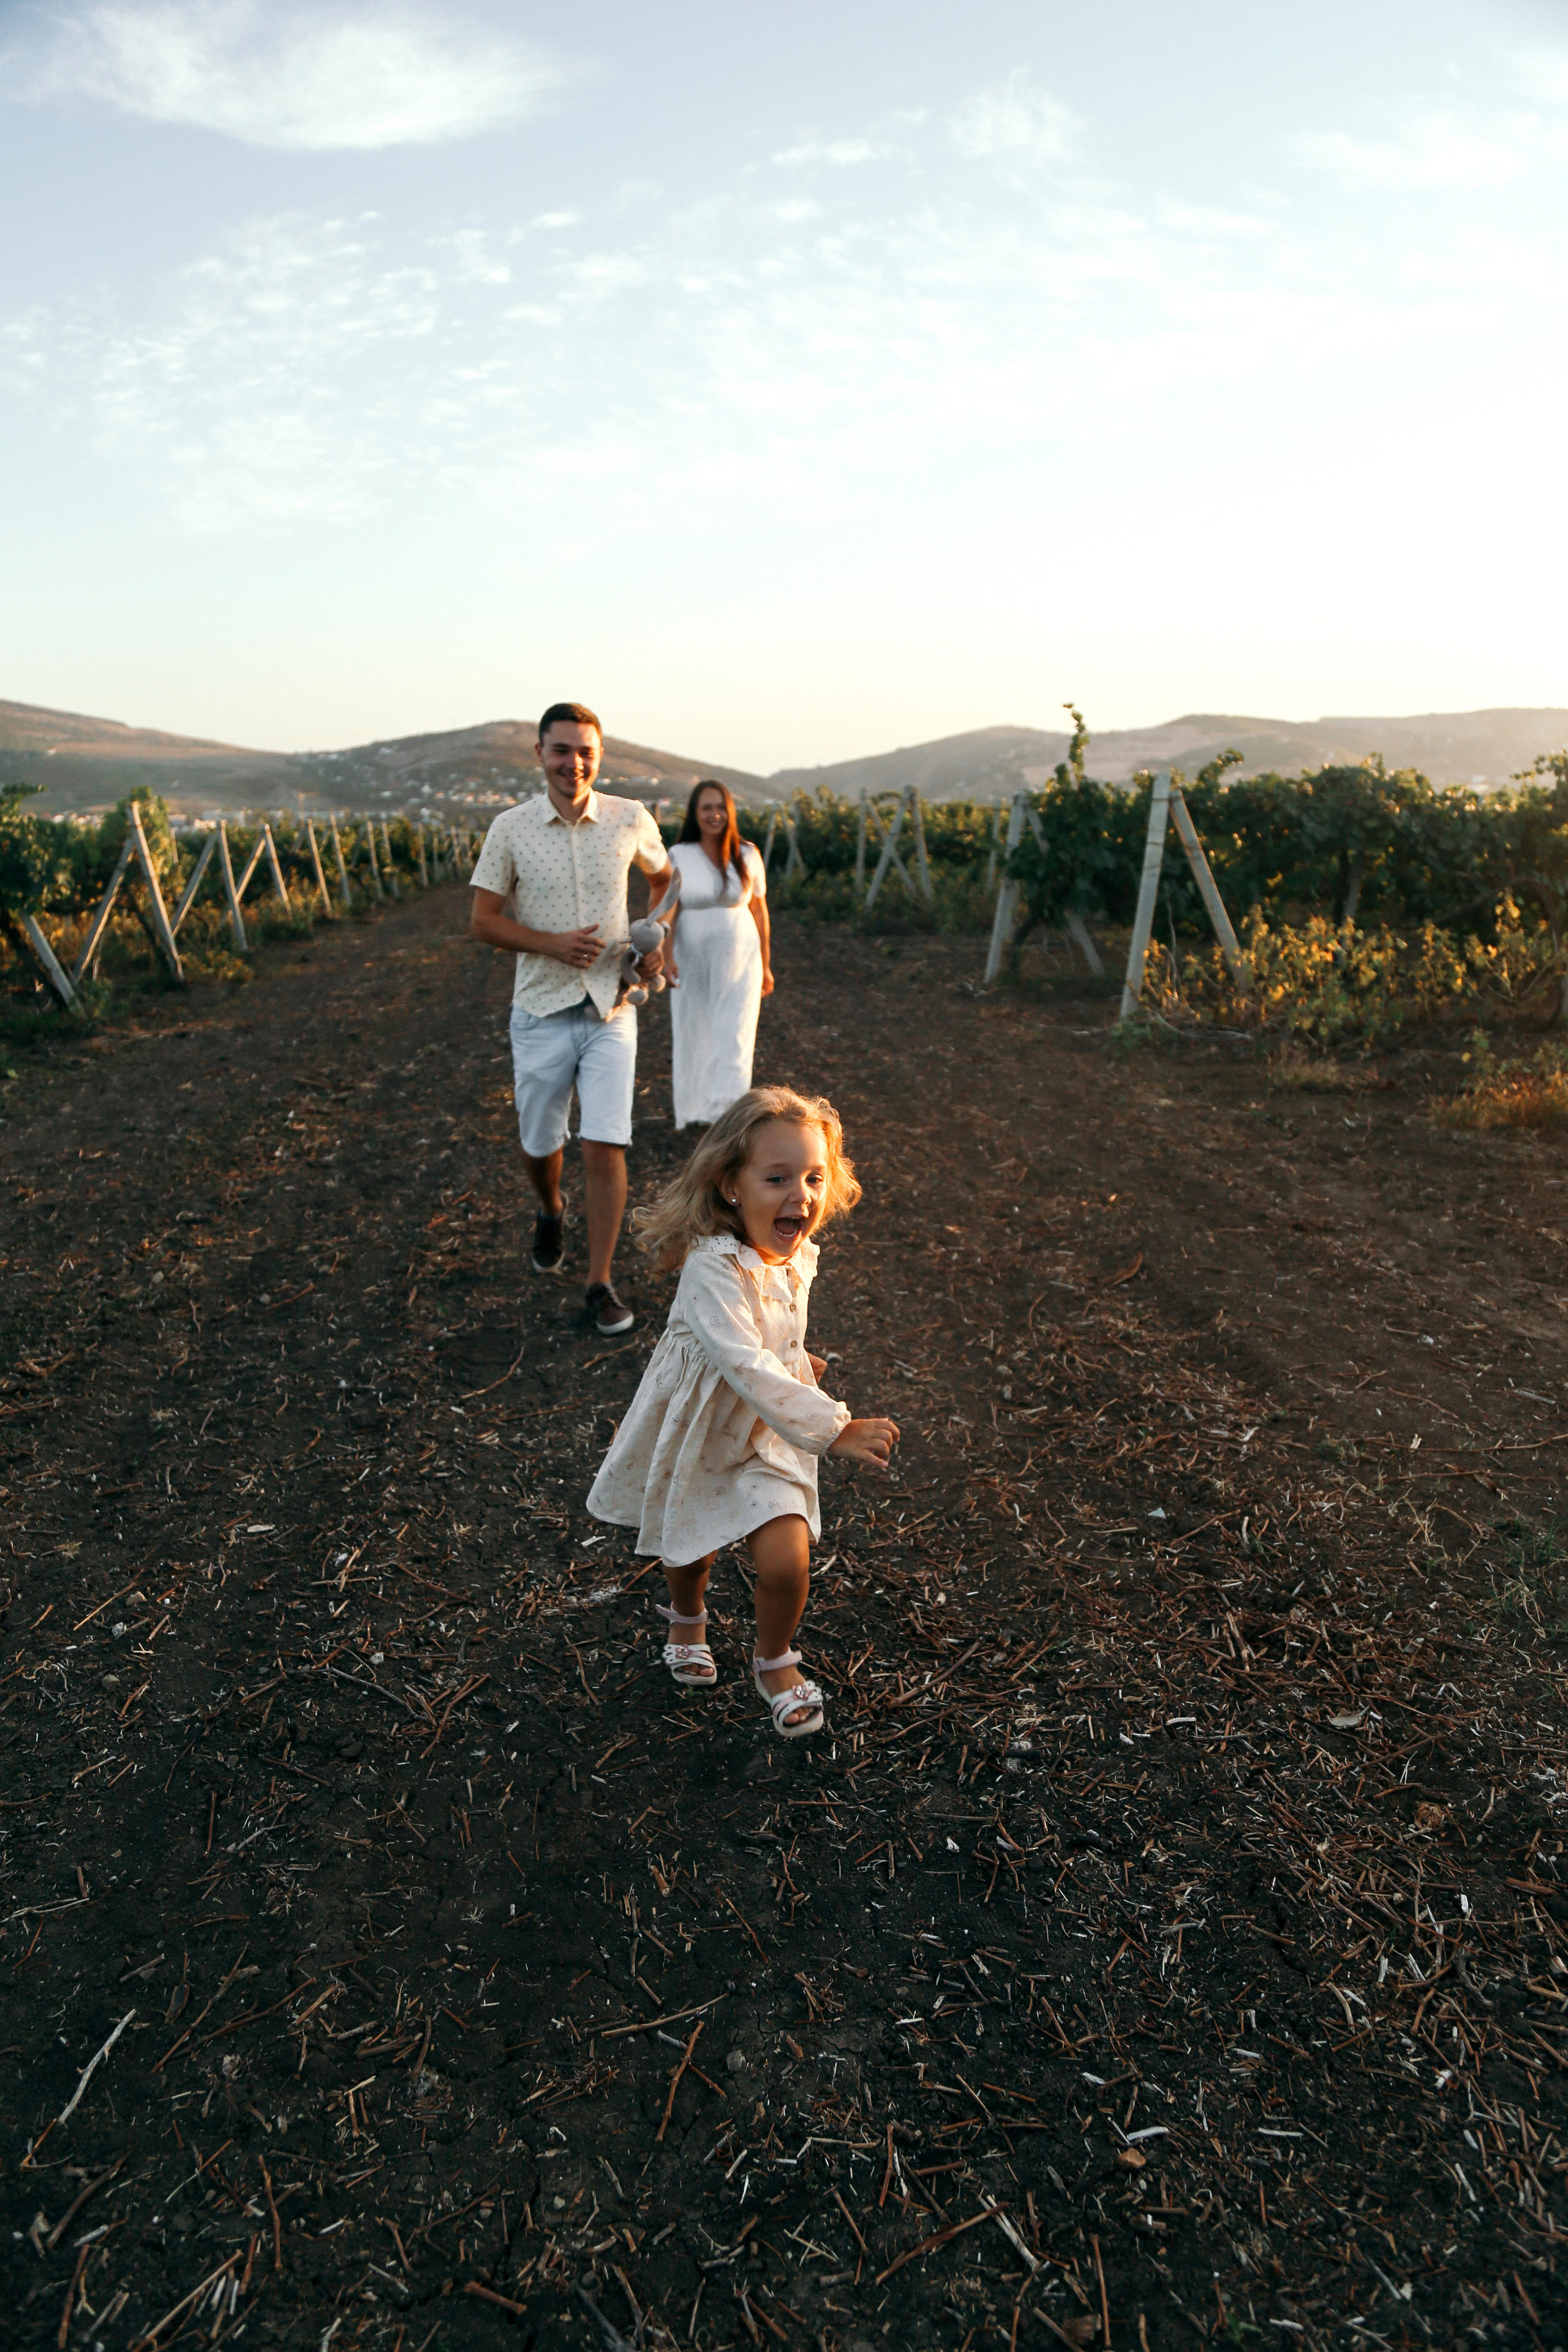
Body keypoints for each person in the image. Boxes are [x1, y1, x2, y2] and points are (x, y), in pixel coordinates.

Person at [586, 1087, 899, 1738]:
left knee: (787, 1559)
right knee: (690, 1545)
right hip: (703, 1424)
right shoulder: (710, 1268)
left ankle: (774, 1660)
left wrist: (800, 1362)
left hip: (767, 1429)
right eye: (778, 1178)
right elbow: (742, 1360)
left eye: (814, 1178)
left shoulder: (795, 1258)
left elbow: (769, 1348)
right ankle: (687, 1615)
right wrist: (833, 1427)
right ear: (731, 1186)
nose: (801, 1196)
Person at [470, 701, 674, 1336]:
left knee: (605, 1140)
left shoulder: (629, 818)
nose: (573, 763)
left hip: (611, 1006)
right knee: (541, 1142)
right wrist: (550, 943)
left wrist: (654, 937)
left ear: (599, 756)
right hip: (539, 1009)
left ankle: (599, 1282)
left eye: (585, 751)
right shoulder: (510, 829)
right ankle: (549, 1207)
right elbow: (482, 921)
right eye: (561, 750)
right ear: (539, 755)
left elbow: (664, 878)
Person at [664, 780, 772, 1128]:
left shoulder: (747, 854)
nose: (715, 815)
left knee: (736, 1030)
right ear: (695, 814)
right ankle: (695, 1110)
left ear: (731, 812)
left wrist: (767, 966)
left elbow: (759, 911)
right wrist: (666, 957)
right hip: (691, 956)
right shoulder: (679, 855)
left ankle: (729, 1114)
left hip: (741, 957)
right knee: (694, 1028)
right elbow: (668, 910)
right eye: (706, 808)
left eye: (720, 807)